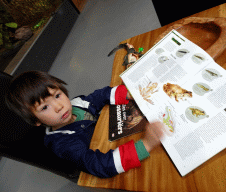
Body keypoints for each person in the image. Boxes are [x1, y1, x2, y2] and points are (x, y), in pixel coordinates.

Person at [5, 71, 164, 178]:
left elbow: (99, 96)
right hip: (113, 163)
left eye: (57, 95)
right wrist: (146, 144)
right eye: (44, 107)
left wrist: (128, 94)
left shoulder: (76, 104)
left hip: (112, 139)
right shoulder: (63, 144)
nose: (59, 106)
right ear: (36, 120)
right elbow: (98, 164)